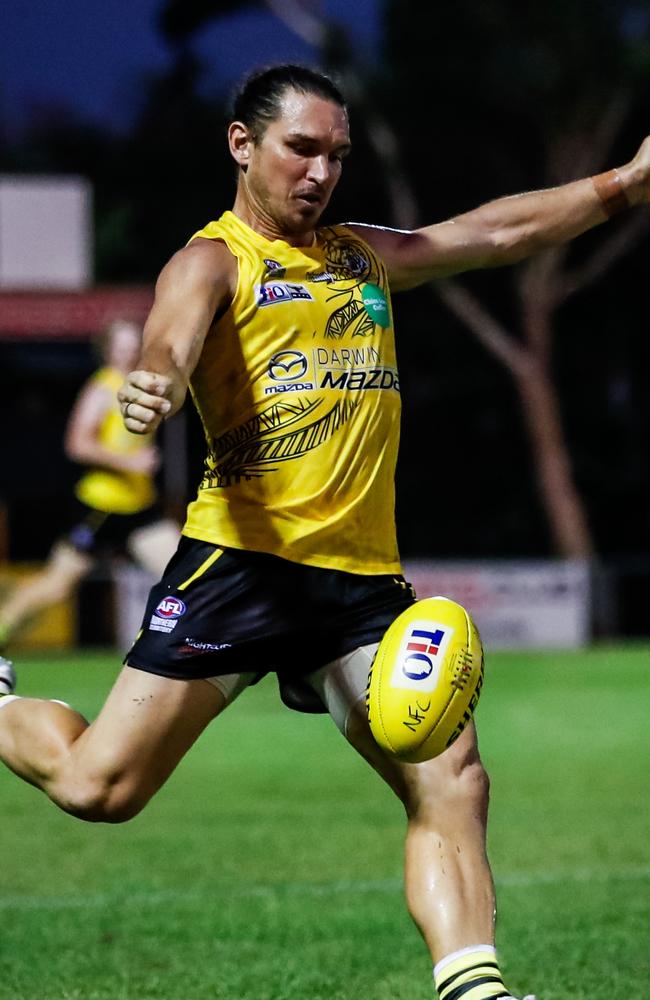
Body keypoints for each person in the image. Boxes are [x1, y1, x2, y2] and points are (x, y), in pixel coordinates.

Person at [1, 64, 649, 1000]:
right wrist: (156, 379)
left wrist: (622, 186)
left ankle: (476, 989)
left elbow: (495, 231)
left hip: (359, 587)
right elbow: (170, 340)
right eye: (301, 148)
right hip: (241, 570)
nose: (320, 173)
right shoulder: (213, 260)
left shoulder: (361, 255)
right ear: (243, 145)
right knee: (98, 790)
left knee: (454, 778)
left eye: (336, 155)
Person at [0, 319, 179, 652]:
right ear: (108, 351)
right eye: (121, 346)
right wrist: (130, 463)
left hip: (139, 505)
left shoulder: (141, 386)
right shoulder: (101, 388)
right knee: (57, 586)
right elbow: (77, 444)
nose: (129, 352)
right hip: (99, 507)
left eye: (134, 344)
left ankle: (197, 647)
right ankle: (3, 625)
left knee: (181, 574)